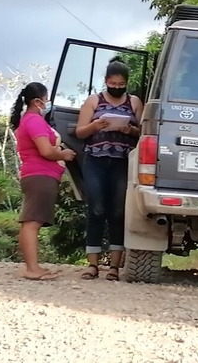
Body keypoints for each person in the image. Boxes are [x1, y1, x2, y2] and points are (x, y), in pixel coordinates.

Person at [75, 57, 143, 281]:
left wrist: (130, 130)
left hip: (121, 162)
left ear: (126, 82)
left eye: (120, 84)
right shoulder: (93, 100)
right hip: (95, 160)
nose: (116, 88)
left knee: (118, 211)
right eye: (112, 84)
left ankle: (114, 266)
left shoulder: (134, 102)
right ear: (106, 81)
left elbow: (143, 132)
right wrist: (95, 126)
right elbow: (79, 132)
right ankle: (92, 265)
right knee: (96, 209)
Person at [11, 82, 76, 280]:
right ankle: (32, 269)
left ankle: (33, 266)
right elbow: (46, 151)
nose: (48, 103)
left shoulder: (30, 120)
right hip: (40, 175)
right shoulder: (34, 121)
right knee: (32, 222)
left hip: (39, 176)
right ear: (38, 101)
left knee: (31, 221)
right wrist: (63, 154)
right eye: (46, 99)